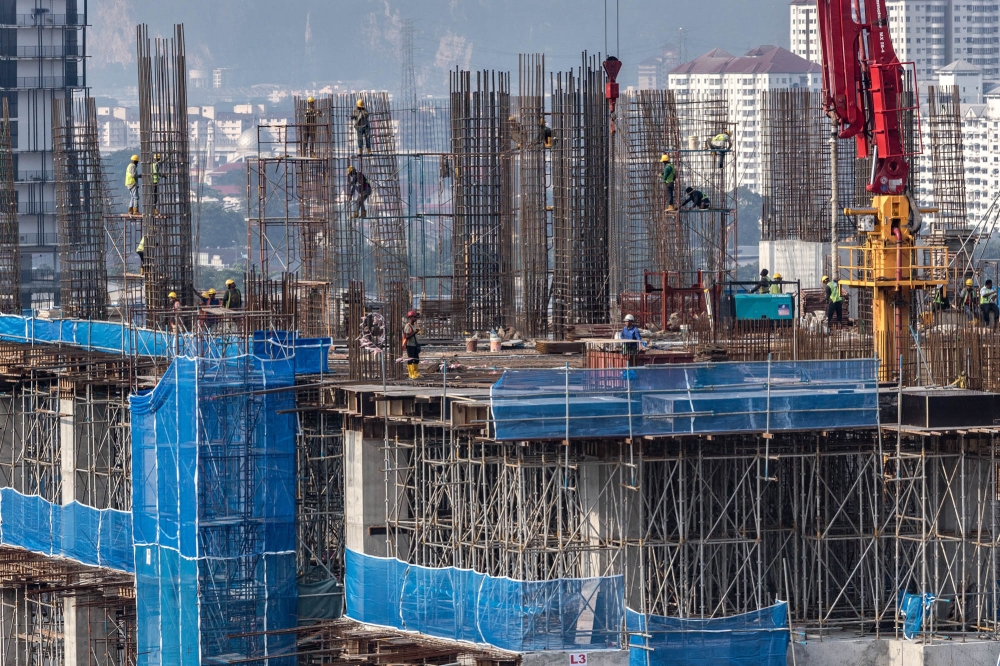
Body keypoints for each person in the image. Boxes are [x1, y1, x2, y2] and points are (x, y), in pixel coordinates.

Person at [402, 310, 421, 379]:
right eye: (414, 317)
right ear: (410, 318)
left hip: (415, 345)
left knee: (416, 359)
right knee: (411, 359)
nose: (415, 318)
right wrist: (414, 332)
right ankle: (411, 374)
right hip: (410, 345)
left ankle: (415, 373)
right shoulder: (408, 326)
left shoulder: (413, 325)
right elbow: (407, 337)